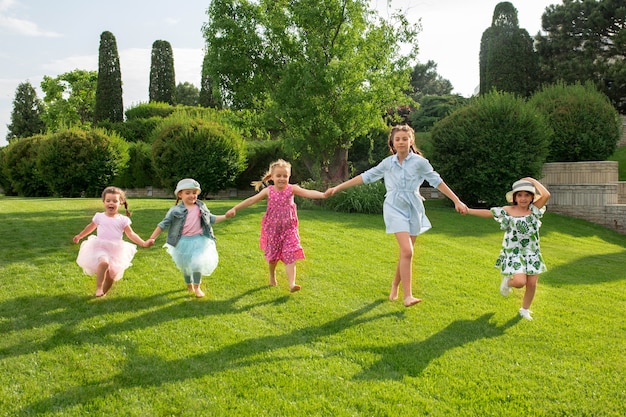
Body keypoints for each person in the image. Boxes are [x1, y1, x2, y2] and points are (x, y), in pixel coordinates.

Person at [325, 124, 467, 307]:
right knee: (408, 251)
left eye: (404, 138)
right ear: (392, 142)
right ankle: (408, 296)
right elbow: (365, 176)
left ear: (411, 141)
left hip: (414, 208)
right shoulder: (387, 163)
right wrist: (338, 187)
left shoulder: (420, 163)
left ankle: (395, 285)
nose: (401, 142)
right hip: (393, 207)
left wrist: (457, 201)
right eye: (397, 139)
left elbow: (437, 181)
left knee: (405, 254)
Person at [226, 159, 326, 292]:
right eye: (278, 176)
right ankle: (272, 276)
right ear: (272, 177)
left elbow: (308, 193)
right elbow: (251, 200)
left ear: (289, 176)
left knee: (290, 254)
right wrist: (235, 208)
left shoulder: (292, 189)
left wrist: (323, 195)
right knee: (273, 257)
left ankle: (292, 284)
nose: (282, 178)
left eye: (285, 176)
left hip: (289, 229)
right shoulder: (269, 191)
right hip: (273, 230)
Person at [465, 177, 550, 320]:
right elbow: (489, 213)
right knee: (519, 282)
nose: (523, 198)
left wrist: (531, 180)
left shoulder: (534, 210)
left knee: (532, 284)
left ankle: (525, 309)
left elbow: (546, 194)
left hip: (532, 252)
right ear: (515, 197)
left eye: (527, 195)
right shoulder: (507, 210)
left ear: (531, 197)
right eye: (520, 195)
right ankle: (507, 282)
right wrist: (468, 210)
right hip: (514, 253)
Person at [147, 178, 227, 298]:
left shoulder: (201, 206)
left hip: (200, 241)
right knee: (185, 267)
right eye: (187, 193)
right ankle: (189, 285)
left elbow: (211, 218)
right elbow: (163, 224)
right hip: (182, 242)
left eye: (194, 193)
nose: (192, 196)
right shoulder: (175, 210)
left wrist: (226, 216)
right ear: (180, 194)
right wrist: (152, 238)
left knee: (197, 264)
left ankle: (197, 287)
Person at [73, 186, 153, 297]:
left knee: (111, 275)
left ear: (120, 202)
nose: (111, 203)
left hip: (116, 250)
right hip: (100, 246)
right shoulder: (99, 216)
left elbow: (131, 234)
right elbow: (90, 227)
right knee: (104, 262)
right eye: (108, 200)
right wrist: (80, 235)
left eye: (115, 201)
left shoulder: (123, 220)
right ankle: (99, 287)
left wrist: (143, 243)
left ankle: (102, 293)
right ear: (104, 202)